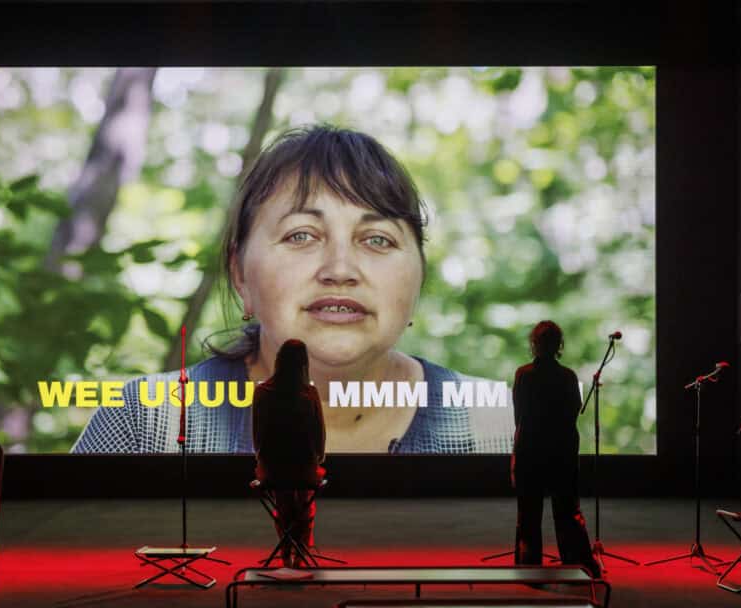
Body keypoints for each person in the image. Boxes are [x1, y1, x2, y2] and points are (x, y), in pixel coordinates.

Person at [73, 125, 513, 454]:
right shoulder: (147, 424)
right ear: (240, 275)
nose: (340, 270)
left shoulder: (499, 425)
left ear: (419, 276)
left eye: (377, 239)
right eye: (302, 235)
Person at [511, 320, 600, 578]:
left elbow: (519, 417)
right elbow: (573, 413)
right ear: (559, 345)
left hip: (530, 452)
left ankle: (528, 569)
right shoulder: (568, 376)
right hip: (562, 454)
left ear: (533, 344)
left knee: (528, 515)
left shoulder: (523, 375)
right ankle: (578, 565)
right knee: (568, 513)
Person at [252, 339, 326, 566]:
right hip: (305, 470)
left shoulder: (262, 392)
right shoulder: (310, 393)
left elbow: (258, 437)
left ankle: (285, 551)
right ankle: (301, 553)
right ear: (304, 363)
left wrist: (262, 461)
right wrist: (318, 459)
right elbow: (319, 436)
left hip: (272, 472)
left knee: (283, 504)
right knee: (305, 503)